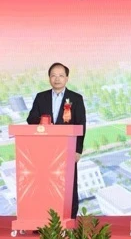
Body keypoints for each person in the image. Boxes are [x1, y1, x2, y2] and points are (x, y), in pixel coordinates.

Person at [26, 62, 86, 219]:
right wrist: (43, 122)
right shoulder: (41, 97)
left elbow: (81, 125)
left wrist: (78, 150)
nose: (57, 79)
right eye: (53, 75)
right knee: (46, 184)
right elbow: (30, 118)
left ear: (67, 78)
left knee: (69, 185)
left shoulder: (75, 98)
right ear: (49, 78)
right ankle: (46, 220)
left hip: (68, 148)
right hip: (45, 150)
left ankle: (70, 219)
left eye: (60, 75)